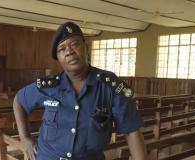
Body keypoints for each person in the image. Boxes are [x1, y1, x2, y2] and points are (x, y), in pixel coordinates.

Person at [13, 21, 147, 160]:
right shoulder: (49, 85)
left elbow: (131, 131)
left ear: (85, 48)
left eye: (74, 44)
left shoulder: (109, 85)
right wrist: (25, 138)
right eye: (62, 49)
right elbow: (19, 101)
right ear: (58, 58)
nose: (69, 51)